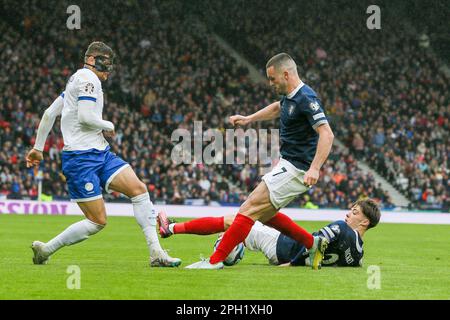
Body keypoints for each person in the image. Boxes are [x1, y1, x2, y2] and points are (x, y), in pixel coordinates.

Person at [26, 41, 181, 267]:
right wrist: (108, 124)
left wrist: (38, 148)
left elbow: (49, 114)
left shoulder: (75, 80)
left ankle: (156, 253)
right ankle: (46, 249)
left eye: (110, 63)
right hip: (80, 159)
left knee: (138, 190)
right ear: (91, 60)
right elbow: (86, 118)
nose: (109, 68)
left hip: (100, 152)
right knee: (97, 221)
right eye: (105, 62)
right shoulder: (88, 79)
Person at [184, 53, 335, 269]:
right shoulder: (290, 97)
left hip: (297, 169)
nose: (270, 83)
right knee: (265, 215)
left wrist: (315, 168)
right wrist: (249, 119)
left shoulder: (306, 98)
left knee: (248, 208)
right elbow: (277, 108)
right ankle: (313, 244)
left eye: (273, 79)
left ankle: (214, 261)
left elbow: (327, 134)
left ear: (286, 74)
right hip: (288, 164)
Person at [158, 199, 380, 267]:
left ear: (365, 221)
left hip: (280, 244)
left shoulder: (341, 228)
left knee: (234, 221)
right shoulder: (359, 254)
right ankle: (233, 247)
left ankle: (172, 229)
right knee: (243, 221)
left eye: (354, 212)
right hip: (282, 247)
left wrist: (292, 264)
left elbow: (316, 244)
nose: (348, 214)